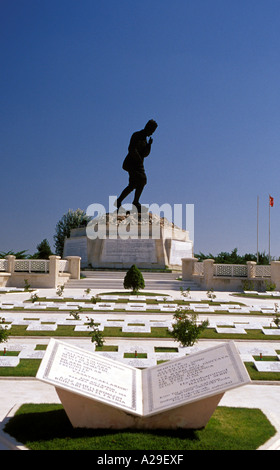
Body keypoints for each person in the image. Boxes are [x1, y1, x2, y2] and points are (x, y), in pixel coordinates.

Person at [115, 119, 158, 212]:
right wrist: (138, 160)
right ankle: (133, 201)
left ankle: (122, 201)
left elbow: (145, 154)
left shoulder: (145, 140)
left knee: (135, 184)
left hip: (139, 165)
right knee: (141, 180)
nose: (152, 133)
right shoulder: (137, 135)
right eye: (152, 131)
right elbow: (131, 149)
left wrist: (149, 145)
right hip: (132, 164)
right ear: (148, 128)